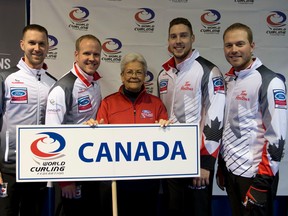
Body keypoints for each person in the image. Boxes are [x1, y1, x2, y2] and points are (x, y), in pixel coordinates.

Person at [85, 52, 170, 216]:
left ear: (145, 76)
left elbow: (166, 140)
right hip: (116, 181)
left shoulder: (156, 104)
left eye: (139, 72)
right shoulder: (108, 103)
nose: (134, 76)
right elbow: (99, 140)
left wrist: (165, 128)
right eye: (129, 72)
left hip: (147, 181)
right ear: (122, 76)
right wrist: (93, 129)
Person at [216, 22, 287, 216]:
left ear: (252, 46)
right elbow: (228, 127)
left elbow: (277, 138)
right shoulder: (229, 80)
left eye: (240, 44)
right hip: (231, 172)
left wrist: (262, 184)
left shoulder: (270, 81)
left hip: (255, 177)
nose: (234, 50)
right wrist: (222, 167)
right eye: (228, 45)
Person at [157, 17, 226, 216]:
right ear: (168, 41)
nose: (178, 41)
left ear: (193, 38)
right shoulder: (164, 74)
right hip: (169, 157)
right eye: (173, 36)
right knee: (173, 209)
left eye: (183, 36)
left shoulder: (209, 71)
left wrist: (205, 164)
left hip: (198, 161)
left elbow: (215, 119)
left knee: (198, 211)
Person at [0, 24, 57, 216]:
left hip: (38, 166)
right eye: (32, 43)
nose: (37, 48)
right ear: (22, 44)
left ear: (48, 47)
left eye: (42, 43)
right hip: (9, 166)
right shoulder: (6, 78)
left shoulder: (53, 83)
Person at [45, 34, 103, 216]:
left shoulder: (94, 83)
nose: (92, 59)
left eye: (96, 54)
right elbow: (51, 136)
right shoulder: (64, 87)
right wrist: (65, 180)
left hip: (91, 166)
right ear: (76, 55)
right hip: (71, 172)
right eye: (87, 53)